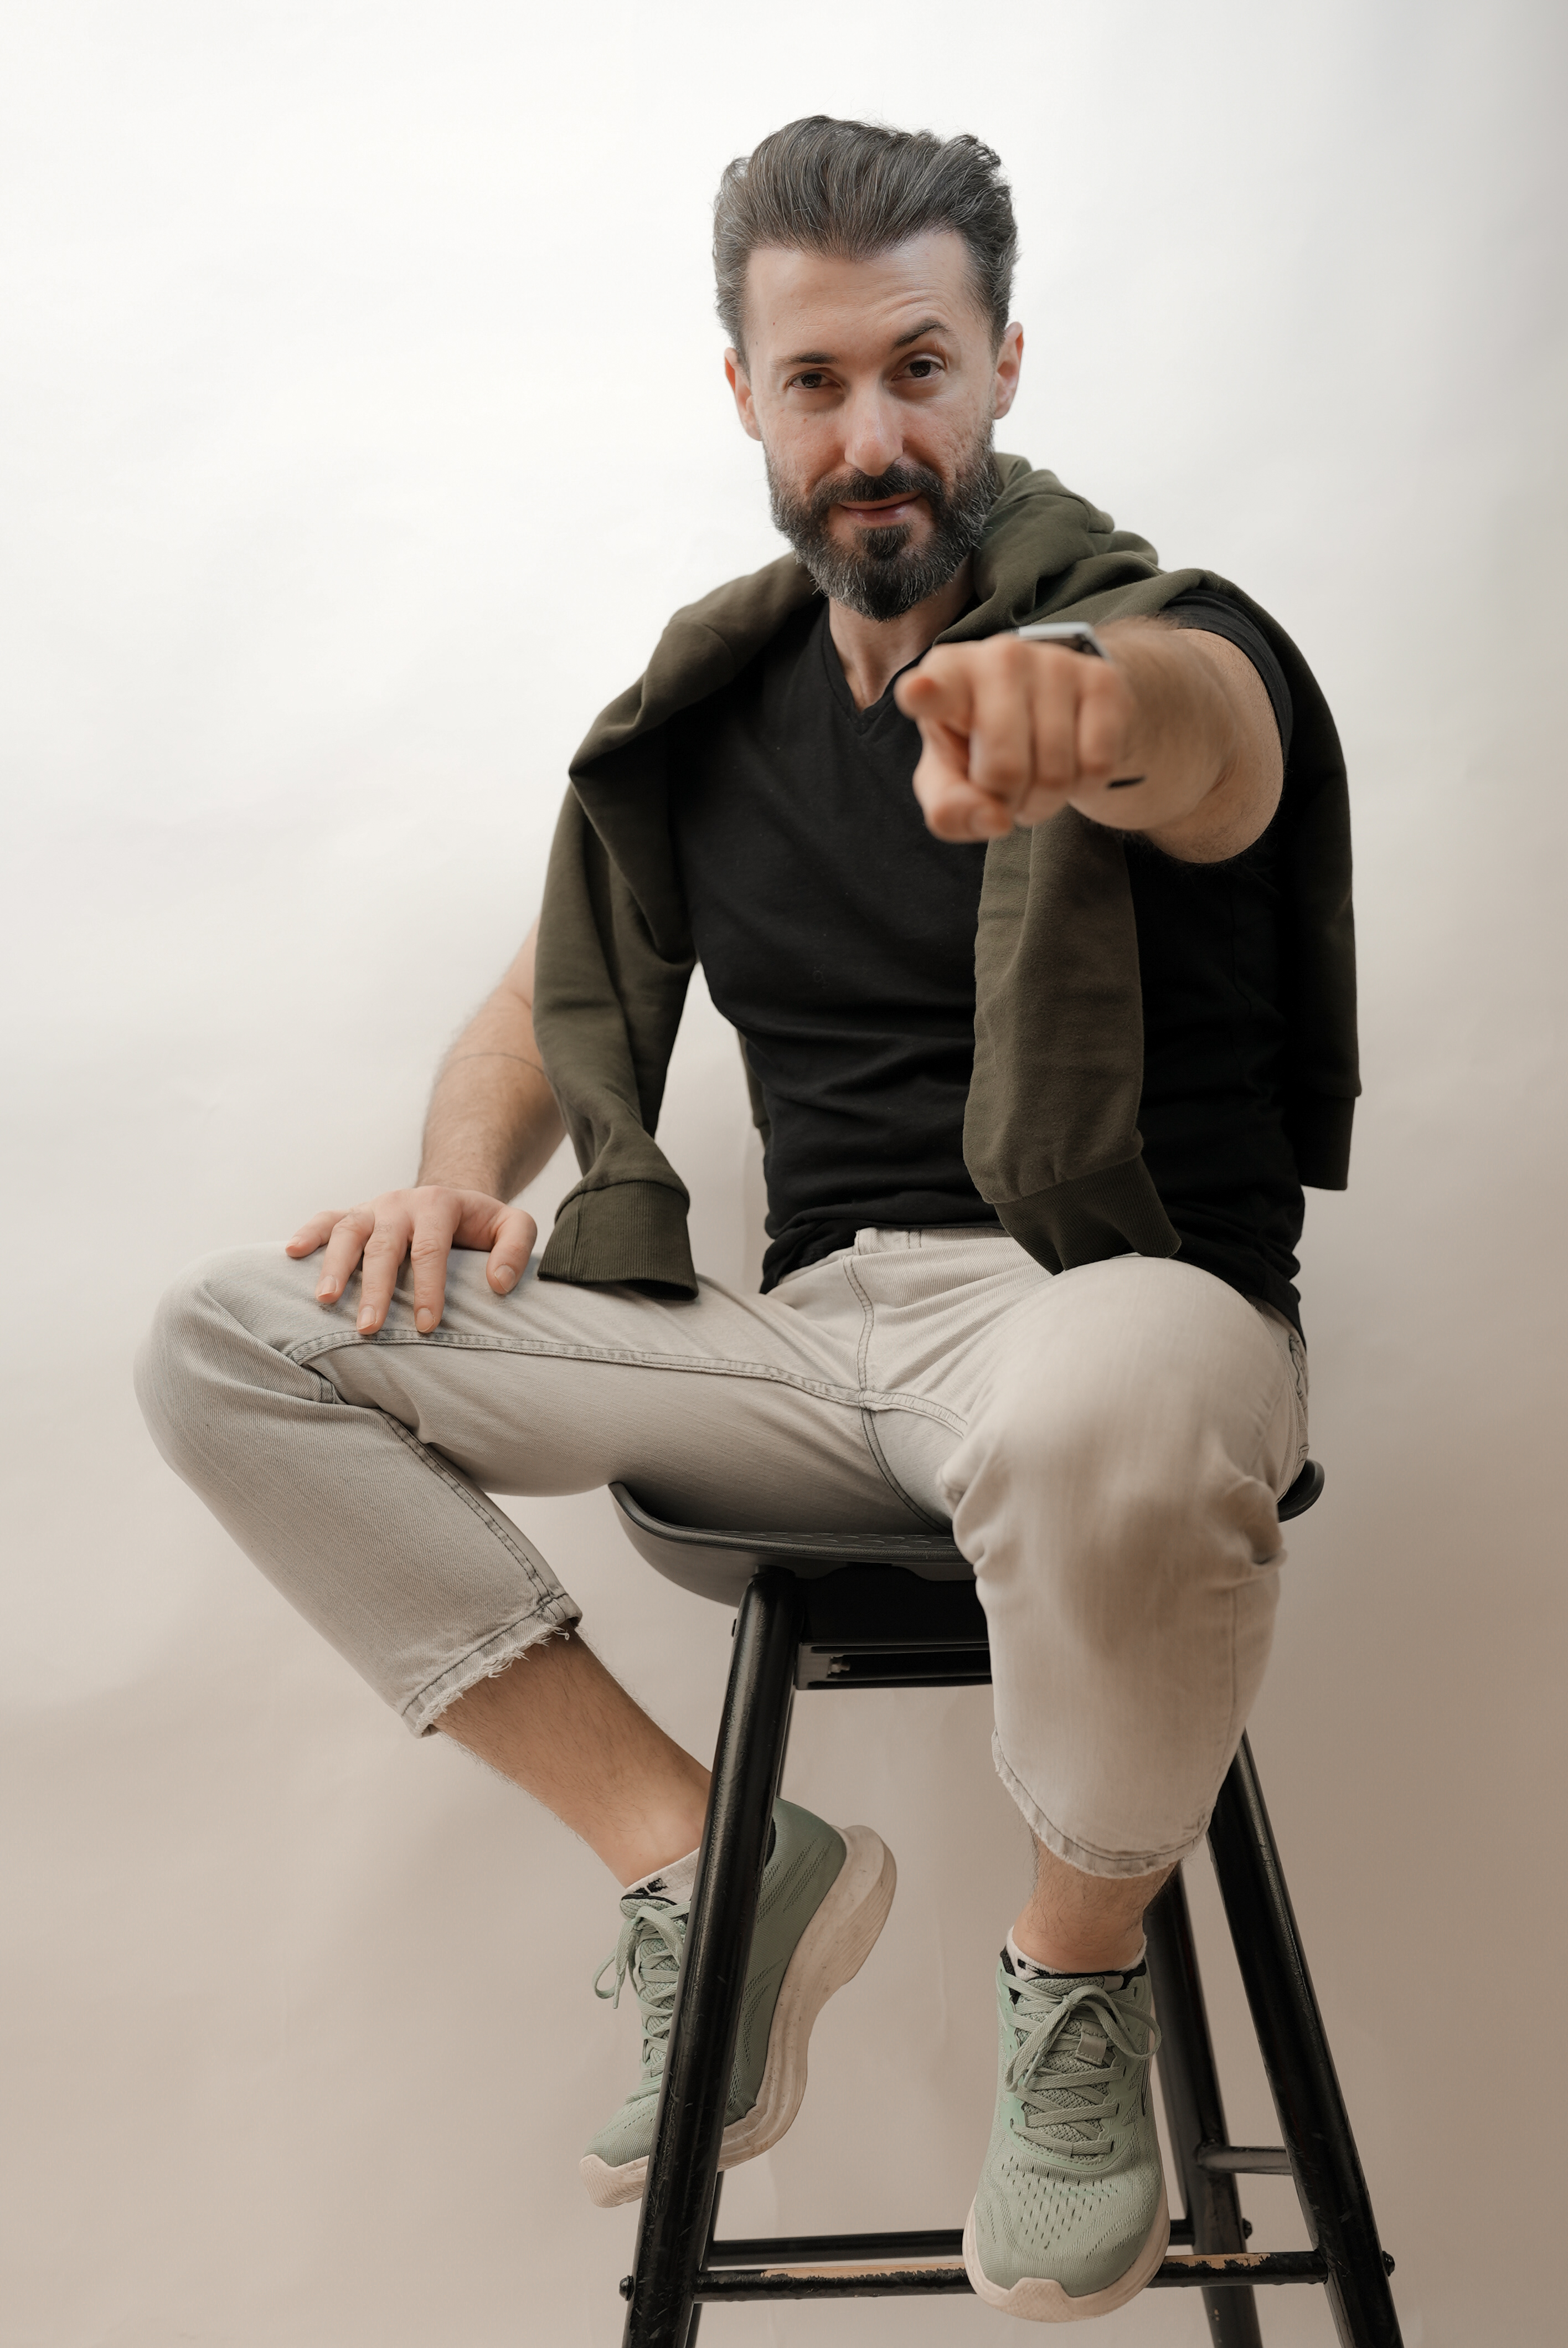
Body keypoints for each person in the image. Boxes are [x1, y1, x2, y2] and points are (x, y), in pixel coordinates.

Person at [137, 116, 1356, 2323]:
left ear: (1001, 367)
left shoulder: (1160, 638)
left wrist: (1080, 716)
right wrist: (454, 1182)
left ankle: (1075, 1975)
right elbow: (541, 995)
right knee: (232, 1337)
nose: (873, 435)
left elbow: (1217, 748)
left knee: (1117, 1393)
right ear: (747, 397)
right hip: (807, 1349)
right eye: (820, 381)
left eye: (921, 368)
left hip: (1104, 1306)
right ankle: (707, 1868)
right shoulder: (712, 714)